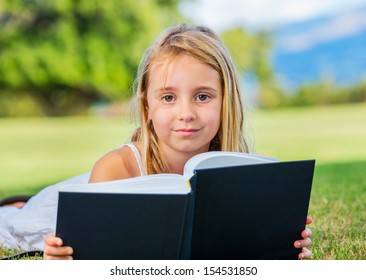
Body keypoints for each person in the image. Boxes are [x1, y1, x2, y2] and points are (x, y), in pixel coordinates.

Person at [43, 23, 313, 260]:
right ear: (147, 107)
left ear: (226, 104)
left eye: (203, 96)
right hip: (66, 192)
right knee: (26, 215)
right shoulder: (114, 171)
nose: (186, 114)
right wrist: (61, 259)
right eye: (168, 98)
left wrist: (285, 245)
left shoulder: (241, 173)